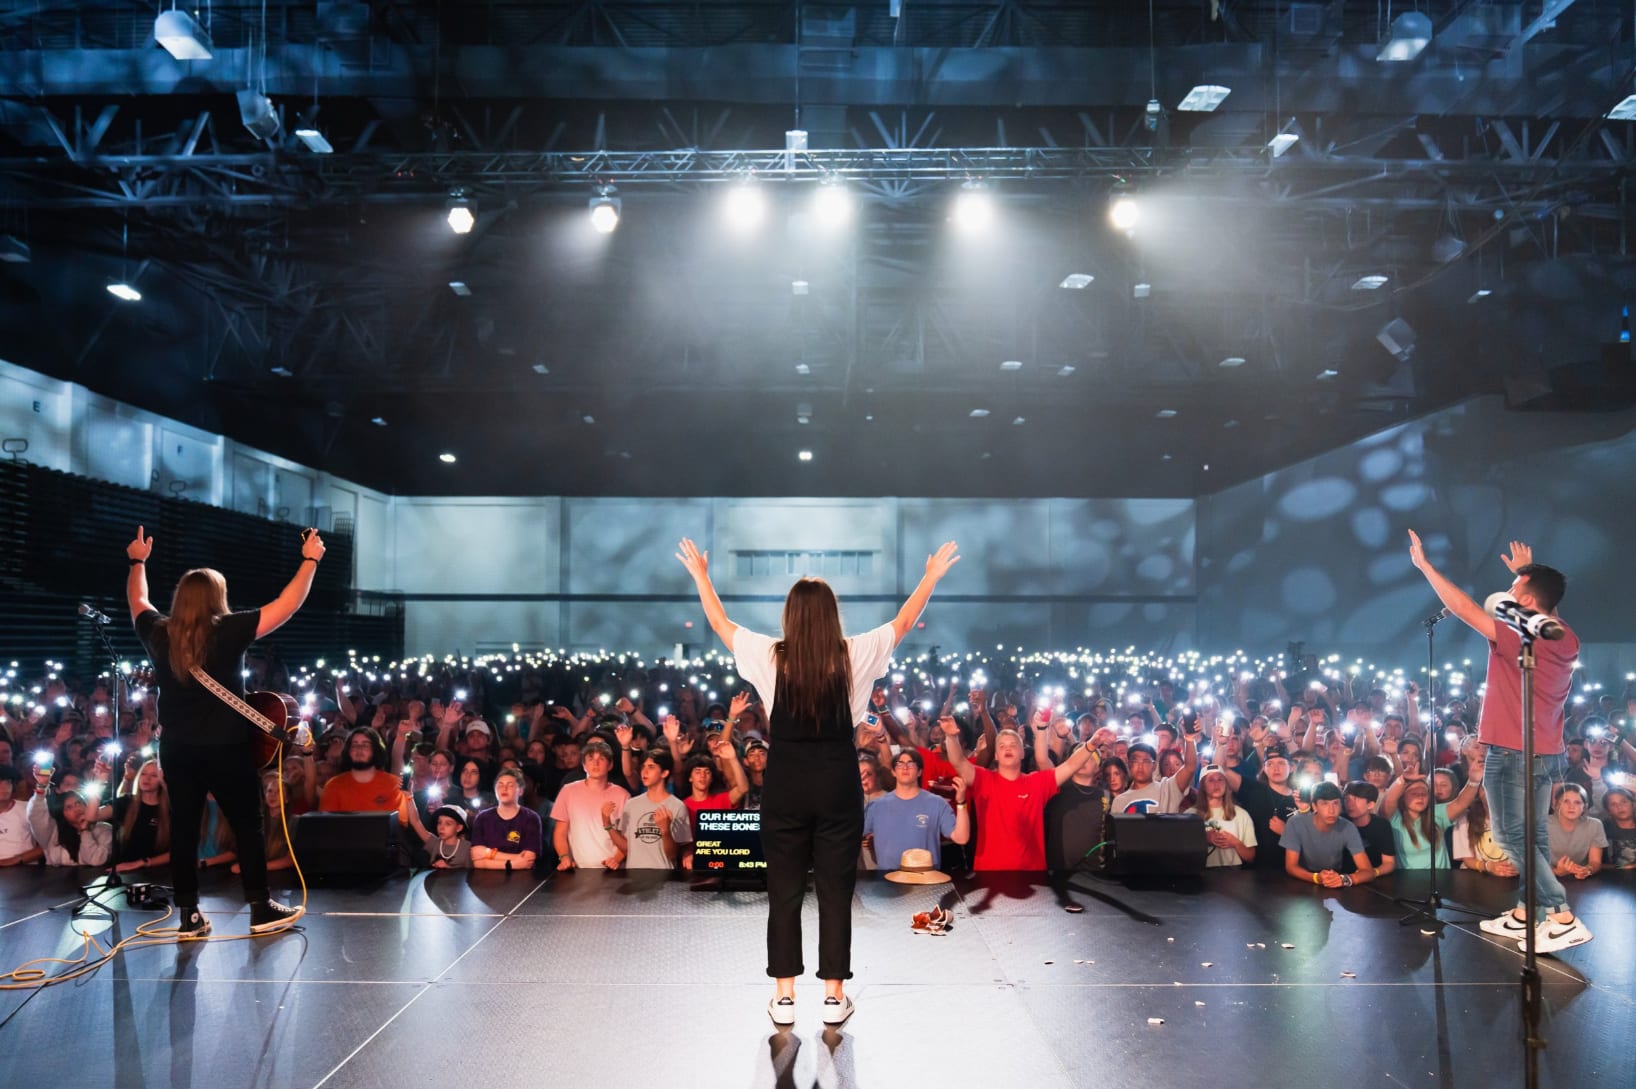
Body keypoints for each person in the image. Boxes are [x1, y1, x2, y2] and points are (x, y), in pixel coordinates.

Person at [677, 535, 960, 1027]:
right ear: (832, 616)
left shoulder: (769, 654)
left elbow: (720, 625)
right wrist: (930, 576)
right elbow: (905, 622)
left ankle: (784, 997)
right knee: (835, 889)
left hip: (785, 782)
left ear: (790, 615)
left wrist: (702, 575)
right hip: (835, 782)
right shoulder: (855, 652)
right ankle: (833, 995)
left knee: (783, 889)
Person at [126, 523, 322, 938]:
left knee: (183, 828)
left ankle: (189, 917)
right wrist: (310, 560)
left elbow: (138, 600)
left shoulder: (160, 634)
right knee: (247, 825)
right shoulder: (228, 630)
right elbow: (288, 604)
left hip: (177, 750)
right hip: (226, 748)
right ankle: (260, 907)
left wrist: (137, 561)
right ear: (217, 597)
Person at [1408, 531, 1592, 953]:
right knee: (1535, 838)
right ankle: (1530, 912)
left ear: (1525, 603)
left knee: (1509, 837)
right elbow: (1545, 604)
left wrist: (1425, 567)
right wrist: (1528, 575)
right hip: (1545, 753)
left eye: (1513, 589)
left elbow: (1463, 608)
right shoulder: (1566, 637)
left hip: (1511, 752)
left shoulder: (1518, 636)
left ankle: (1562, 916)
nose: (1506, 592)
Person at [946, 710, 1100, 871]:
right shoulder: (983, 779)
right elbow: (958, 761)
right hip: (989, 871)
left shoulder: (1036, 782)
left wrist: (1091, 745)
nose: (1007, 749)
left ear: (1022, 752)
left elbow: (1069, 766)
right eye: (1002, 746)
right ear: (996, 755)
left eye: (1013, 745)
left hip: (1032, 873)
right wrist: (951, 737)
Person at [864, 749, 970, 875]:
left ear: (919, 771)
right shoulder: (876, 806)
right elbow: (852, 835)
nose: (905, 767)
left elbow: (961, 838)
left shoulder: (937, 803)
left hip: (926, 880)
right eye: (900, 764)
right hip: (888, 883)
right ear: (893, 772)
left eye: (910, 763)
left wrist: (961, 802)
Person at [550, 738, 630, 870]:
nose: (596, 763)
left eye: (602, 759)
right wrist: (564, 857)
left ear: (610, 765)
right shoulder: (568, 791)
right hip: (580, 870)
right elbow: (560, 832)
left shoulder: (622, 795)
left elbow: (628, 837)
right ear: (584, 765)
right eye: (591, 759)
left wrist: (616, 859)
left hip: (613, 871)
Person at [610, 747, 693, 871]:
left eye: (651, 767)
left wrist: (665, 831)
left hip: (664, 877)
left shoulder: (677, 806)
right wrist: (607, 824)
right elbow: (627, 846)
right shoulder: (631, 804)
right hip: (635, 877)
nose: (644, 772)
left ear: (664, 773)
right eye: (643, 767)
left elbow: (673, 855)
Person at [470, 767, 542, 870]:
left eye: (510, 785)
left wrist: (488, 853)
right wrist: (513, 862)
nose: (504, 789)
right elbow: (477, 859)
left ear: (520, 791)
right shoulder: (483, 818)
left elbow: (528, 859)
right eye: (500, 785)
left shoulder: (531, 818)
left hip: (522, 879)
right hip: (487, 878)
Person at [318, 728, 406, 812]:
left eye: (365, 745)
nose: (359, 749)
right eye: (354, 745)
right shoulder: (333, 786)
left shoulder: (394, 784)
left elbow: (398, 824)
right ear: (348, 751)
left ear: (376, 750)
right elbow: (327, 825)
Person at [1195, 765, 1255, 867]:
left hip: (1233, 875)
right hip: (1201, 874)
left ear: (1226, 785)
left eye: (1220, 780)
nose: (1216, 784)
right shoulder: (1191, 815)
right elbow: (1182, 853)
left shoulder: (1241, 814)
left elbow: (1251, 857)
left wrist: (1235, 843)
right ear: (1203, 786)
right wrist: (1204, 838)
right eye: (1211, 780)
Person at [1545, 783, 1605, 880]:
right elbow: (1533, 861)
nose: (1571, 806)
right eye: (1566, 801)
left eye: (1577, 802)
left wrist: (1587, 870)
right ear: (1555, 804)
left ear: (1584, 807)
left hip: (1580, 880)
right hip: (1546, 878)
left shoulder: (1594, 825)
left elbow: (1595, 862)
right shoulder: (1541, 824)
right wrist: (1556, 871)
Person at [1342, 781, 1398, 877]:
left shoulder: (1381, 825)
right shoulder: (1340, 821)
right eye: (1347, 799)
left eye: (1357, 799)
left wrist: (1373, 873)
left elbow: (1389, 863)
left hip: (1374, 879)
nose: (1350, 804)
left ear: (1370, 805)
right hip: (1342, 877)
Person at [0, 765, 44, 867]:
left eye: (8, 782)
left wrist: (14, 860)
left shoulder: (28, 809)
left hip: (25, 870)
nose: (4, 787)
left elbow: (47, 844)